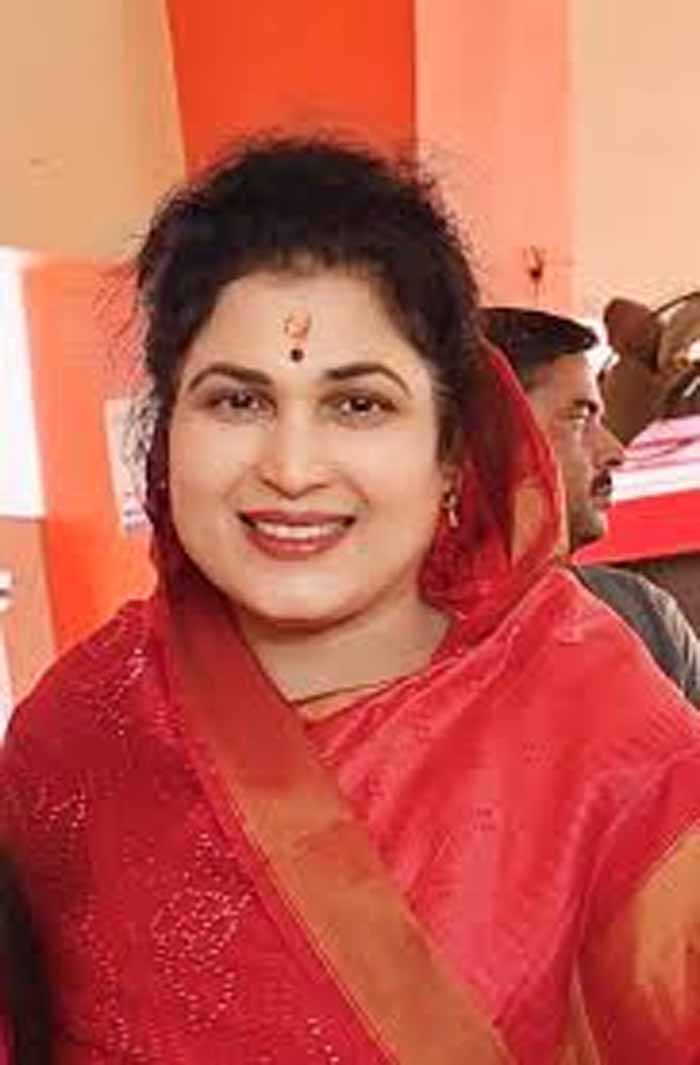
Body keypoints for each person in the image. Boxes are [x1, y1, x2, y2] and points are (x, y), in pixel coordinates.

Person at [2, 137, 700, 1064]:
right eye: (238, 401)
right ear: (166, 435)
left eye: (358, 404)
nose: (292, 468)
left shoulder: (601, 735)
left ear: (451, 450)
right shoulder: (75, 736)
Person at [482, 306, 700, 706]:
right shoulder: (386, 635)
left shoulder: (642, 615)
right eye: (579, 418)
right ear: (491, 437)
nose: (614, 451)